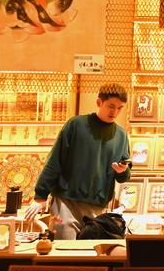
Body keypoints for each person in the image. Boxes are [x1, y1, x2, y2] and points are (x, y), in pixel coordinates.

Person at [26, 83, 132, 239]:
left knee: (90, 252)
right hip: (65, 203)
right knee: (64, 250)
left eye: (119, 108)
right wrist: (40, 196)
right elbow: (55, 160)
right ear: (99, 102)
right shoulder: (76, 125)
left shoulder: (121, 135)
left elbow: (124, 175)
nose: (115, 112)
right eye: (111, 106)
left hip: (98, 208)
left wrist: (122, 171)